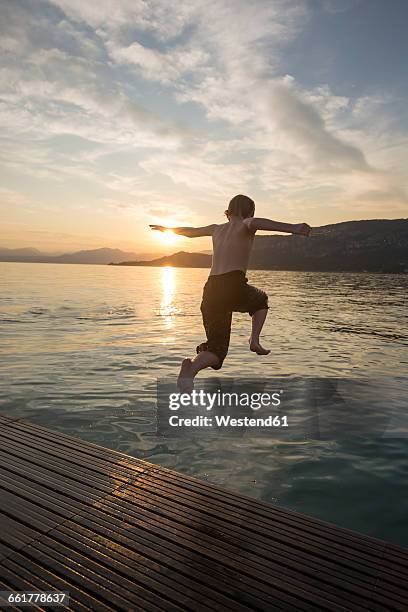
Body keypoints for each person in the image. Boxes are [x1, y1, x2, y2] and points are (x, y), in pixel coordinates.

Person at [150, 194, 311, 392]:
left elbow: (190, 232)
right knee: (261, 299)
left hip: (210, 289)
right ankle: (254, 341)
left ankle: (191, 368)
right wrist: (293, 228)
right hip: (232, 284)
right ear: (249, 211)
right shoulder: (247, 224)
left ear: (228, 212)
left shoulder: (215, 229)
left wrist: (167, 229)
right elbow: (259, 222)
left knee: (216, 349)